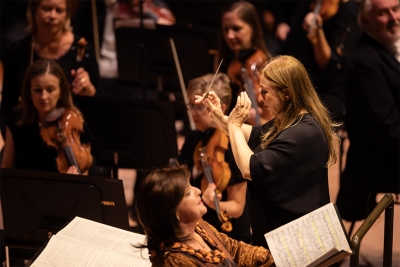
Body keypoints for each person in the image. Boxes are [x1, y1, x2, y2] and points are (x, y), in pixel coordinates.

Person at [196, 55, 337, 248]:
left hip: (296, 243)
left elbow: (249, 168)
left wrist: (235, 125)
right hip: (277, 235)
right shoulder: (288, 120)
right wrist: (219, 117)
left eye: (265, 92)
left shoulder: (304, 133)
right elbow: (252, 135)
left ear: (287, 93)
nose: (260, 99)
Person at [135, 164, 275, 266]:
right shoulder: (174, 261)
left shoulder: (198, 226)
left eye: (191, 186)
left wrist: (275, 258)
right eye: (188, 192)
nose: (197, 190)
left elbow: (236, 250)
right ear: (172, 210)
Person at [336, 0, 400, 221]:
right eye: (384, 13)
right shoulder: (365, 63)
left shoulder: (389, 45)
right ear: (367, 22)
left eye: (396, 9)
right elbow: (389, 130)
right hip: (383, 163)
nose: (394, 17)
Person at [179, 73, 252, 243]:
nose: (194, 113)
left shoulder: (234, 146)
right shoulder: (193, 137)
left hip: (228, 237)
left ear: (222, 108)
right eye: (192, 106)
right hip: (197, 229)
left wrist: (214, 205)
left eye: (201, 107)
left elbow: (237, 207)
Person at [1, 0, 100, 122]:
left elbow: (98, 103)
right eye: (47, 9)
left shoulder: (83, 49)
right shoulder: (17, 51)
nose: (52, 16)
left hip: (72, 132)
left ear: (67, 14)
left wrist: (90, 91)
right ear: (33, 11)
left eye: (59, 10)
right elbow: (7, 107)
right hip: (28, 128)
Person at [1, 59, 96, 175]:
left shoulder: (75, 121)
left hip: (64, 190)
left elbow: (85, 170)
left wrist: (75, 179)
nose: (43, 96)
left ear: (61, 90)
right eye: (37, 90)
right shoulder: (17, 120)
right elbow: (6, 167)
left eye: (50, 90)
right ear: (29, 91)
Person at [280, 0, 361, 122]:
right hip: (301, 81)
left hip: (330, 89)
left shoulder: (348, 10)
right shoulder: (307, 4)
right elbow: (291, 48)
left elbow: (330, 68)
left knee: (302, 117)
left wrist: (318, 33)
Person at [217, 1, 273, 125]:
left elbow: (271, 122)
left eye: (236, 29)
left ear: (252, 29)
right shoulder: (224, 62)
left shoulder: (262, 63)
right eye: (226, 29)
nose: (230, 35)